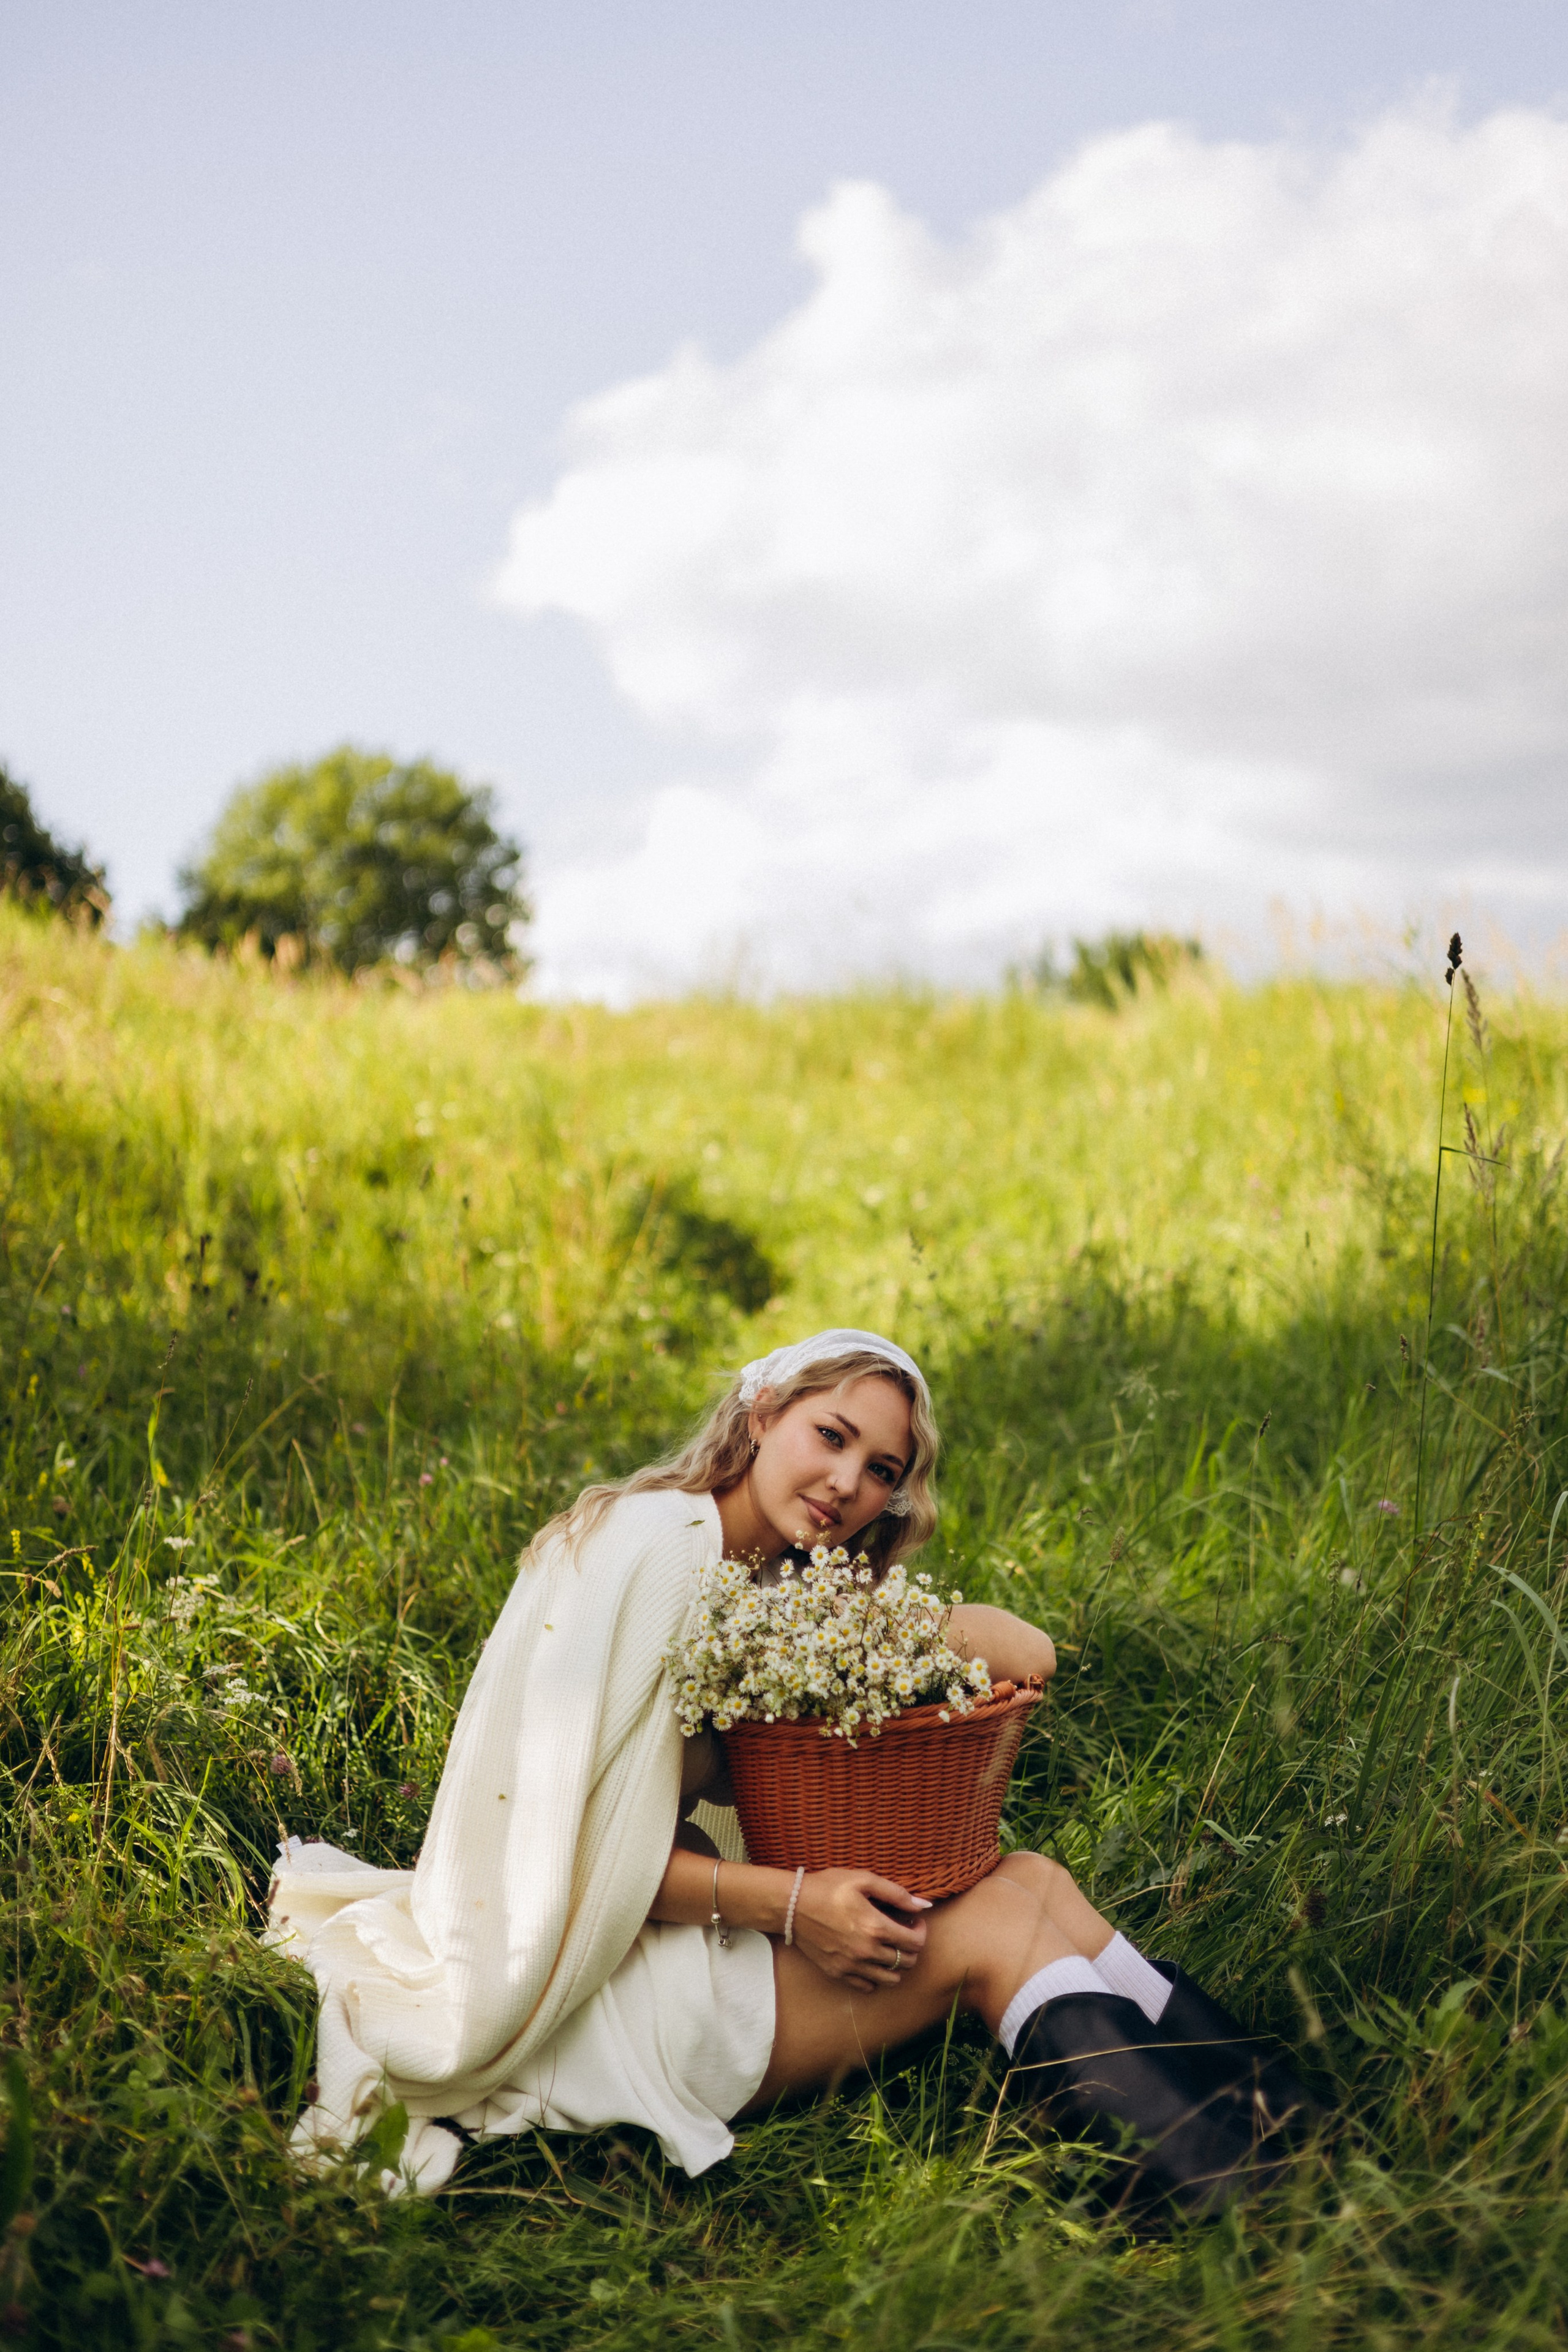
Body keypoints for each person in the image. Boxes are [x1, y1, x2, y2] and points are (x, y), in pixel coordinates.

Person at [270, 1327, 1310, 2214]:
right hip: (585, 1985)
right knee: (996, 1924)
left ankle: (1282, 2130)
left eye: (883, 1472)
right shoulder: (661, 1548)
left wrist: (862, 1612)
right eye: (833, 1436)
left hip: (668, 1936)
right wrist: (793, 1905)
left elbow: (1028, 1651)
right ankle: (1238, 2199)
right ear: (761, 1409)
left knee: (1028, 1879)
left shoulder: (763, 1592)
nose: (849, 1483)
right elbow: (568, 1854)